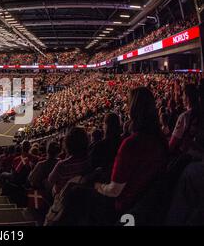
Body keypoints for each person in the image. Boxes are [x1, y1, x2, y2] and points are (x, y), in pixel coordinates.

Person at [94, 87, 168, 216]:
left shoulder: (131, 144)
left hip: (128, 207)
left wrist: (97, 186)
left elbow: (114, 191)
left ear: (133, 109)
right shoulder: (161, 138)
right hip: (149, 202)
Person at [48, 127, 92, 197]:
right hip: (83, 198)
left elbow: (50, 180)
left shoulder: (62, 165)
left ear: (67, 144)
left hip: (63, 201)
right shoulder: (90, 161)